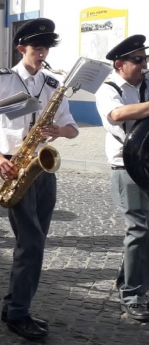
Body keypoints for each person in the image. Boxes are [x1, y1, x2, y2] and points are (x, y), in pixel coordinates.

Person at [0, 18, 78, 340]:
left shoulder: (52, 84)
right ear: (22, 48)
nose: (42, 52)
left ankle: (14, 305)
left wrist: (59, 131)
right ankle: (18, 313)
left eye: (46, 47)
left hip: (43, 168)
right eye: (37, 47)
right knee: (31, 243)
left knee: (33, 244)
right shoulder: (3, 79)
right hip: (13, 165)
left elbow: (73, 128)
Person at [95, 34, 149, 321]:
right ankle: (132, 295)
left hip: (148, 164)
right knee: (139, 230)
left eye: (145, 59)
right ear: (120, 64)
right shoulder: (108, 89)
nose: (143, 64)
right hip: (124, 166)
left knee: (146, 232)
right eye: (137, 60)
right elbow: (117, 114)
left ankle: (132, 279)